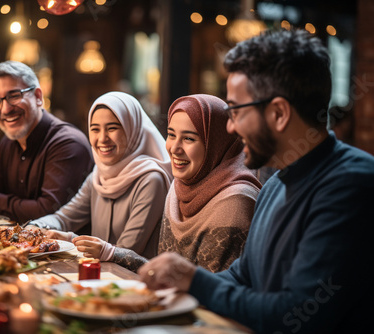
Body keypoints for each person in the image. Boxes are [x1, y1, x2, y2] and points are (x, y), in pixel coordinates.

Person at [138, 29, 374, 334]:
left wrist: (193, 280)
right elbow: (242, 277)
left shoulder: (351, 186)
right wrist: (177, 280)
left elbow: (297, 315)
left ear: (278, 113)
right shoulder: (275, 184)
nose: (231, 128)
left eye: (236, 111)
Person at [71, 94, 261, 272]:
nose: (174, 148)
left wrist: (110, 252)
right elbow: (169, 275)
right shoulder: (179, 187)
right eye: (171, 135)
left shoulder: (234, 203)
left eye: (188, 138)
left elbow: (203, 290)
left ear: (216, 144)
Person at [0, 61, 93, 223]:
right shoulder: (7, 142)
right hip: (12, 245)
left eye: (14, 96)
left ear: (38, 97)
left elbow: (49, 212)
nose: (5, 109)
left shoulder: (68, 143)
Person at [28, 91, 173, 259]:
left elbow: (128, 249)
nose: (102, 138)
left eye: (112, 128)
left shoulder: (151, 179)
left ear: (132, 128)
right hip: (98, 274)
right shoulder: (98, 175)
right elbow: (63, 218)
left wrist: (70, 239)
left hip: (133, 281)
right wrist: (35, 226)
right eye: (95, 129)